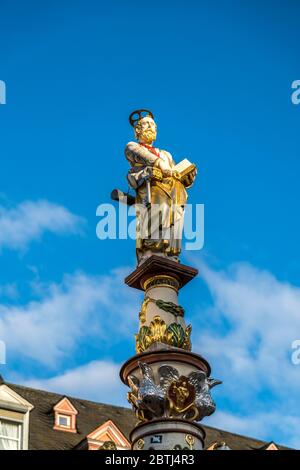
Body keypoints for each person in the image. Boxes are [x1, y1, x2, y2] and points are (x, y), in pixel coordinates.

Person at [125, 109, 196, 265]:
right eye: (146, 124)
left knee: (174, 218)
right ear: (138, 130)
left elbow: (174, 172)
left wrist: (187, 178)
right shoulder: (132, 147)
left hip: (173, 194)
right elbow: (145, 158)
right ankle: (151, 250)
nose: (150, 127)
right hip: (151, 191)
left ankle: (170, 251)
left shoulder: (166, 154)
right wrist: (158, 168)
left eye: (153, 125)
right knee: (157, 214)